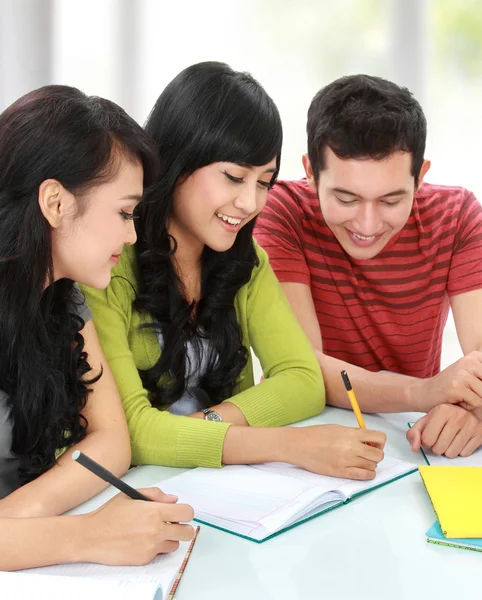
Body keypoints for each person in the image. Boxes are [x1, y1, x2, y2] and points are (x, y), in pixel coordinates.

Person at [82, 62, 386, 484]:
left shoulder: (246, 259)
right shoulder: (106, 261)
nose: (250, 203)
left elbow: (303, 380)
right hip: (130, 494)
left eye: (265, 182)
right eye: (234, 177)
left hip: (222, 487)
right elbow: (130, 433)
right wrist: (290, 445)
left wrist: (205, 426)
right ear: (180, 158)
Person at [0, 85, 194, 571]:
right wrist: (84, 536)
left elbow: (112, 440)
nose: (132, 235)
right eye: (125, 212)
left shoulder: (64, 295)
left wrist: (18, 527)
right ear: (55, 202)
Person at [254, 74, 482, 459]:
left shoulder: (456, 216)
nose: (367, 225)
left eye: (391, 201)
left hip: (414, 435)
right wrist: (425, 392)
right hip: (306, 432)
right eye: (345, 198)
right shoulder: (283, 211)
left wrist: (473, 410)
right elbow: (301, 368)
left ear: (420, 176)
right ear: (310, 172)